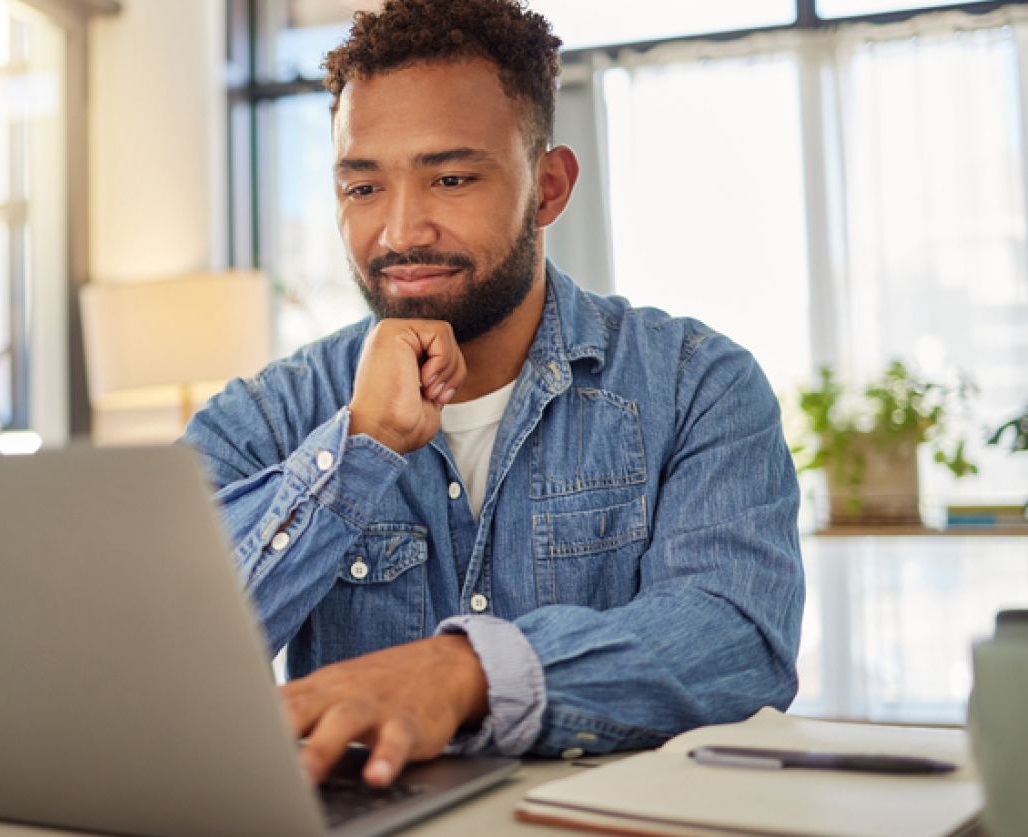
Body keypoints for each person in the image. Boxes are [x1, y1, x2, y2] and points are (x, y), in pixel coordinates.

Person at [183, 0, 804, 789]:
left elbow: (737, 641)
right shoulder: (270, 415)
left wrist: (464, 673)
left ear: (547, 187)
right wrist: (355, 452)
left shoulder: (696, 383)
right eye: (363, 186)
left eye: (449, 178)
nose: (401, 230)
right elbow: (157, 657)